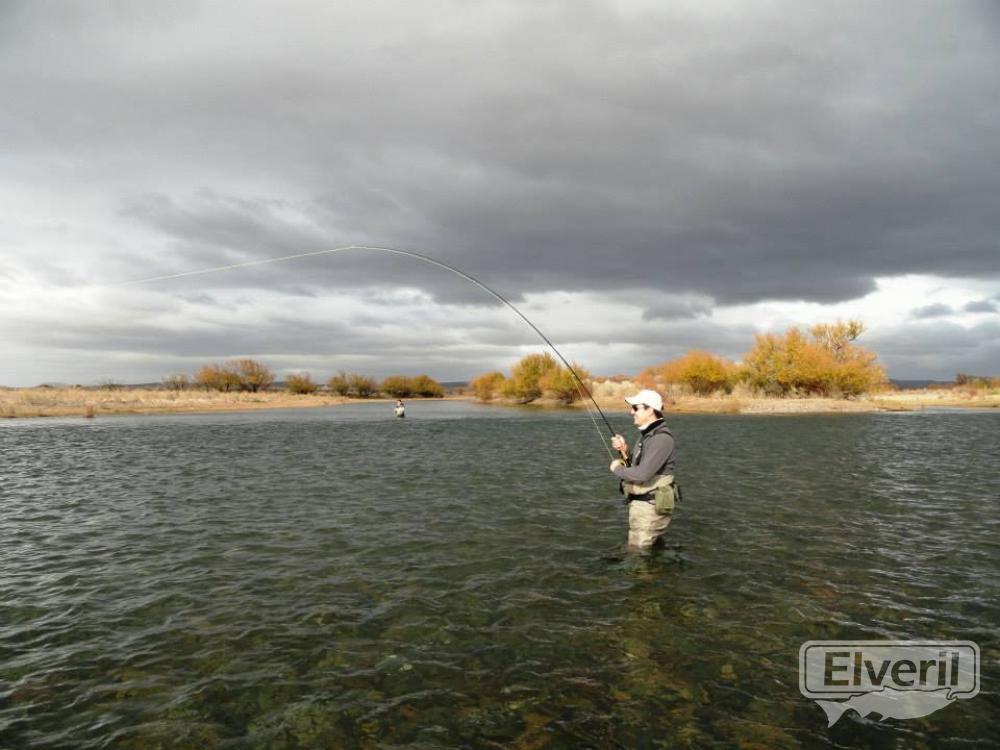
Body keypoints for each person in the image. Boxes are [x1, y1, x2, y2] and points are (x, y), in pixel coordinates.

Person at [609, 389, 677, 550]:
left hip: (649, 511)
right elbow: (642, 464)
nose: (631, 412)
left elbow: (642, 474)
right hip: (645, 508)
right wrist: (625, 450)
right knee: (650, 551)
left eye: (635, 408)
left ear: (650, 410)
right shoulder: (648, 435)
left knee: (637, 555)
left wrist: (617, 468)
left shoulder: (661, 439)